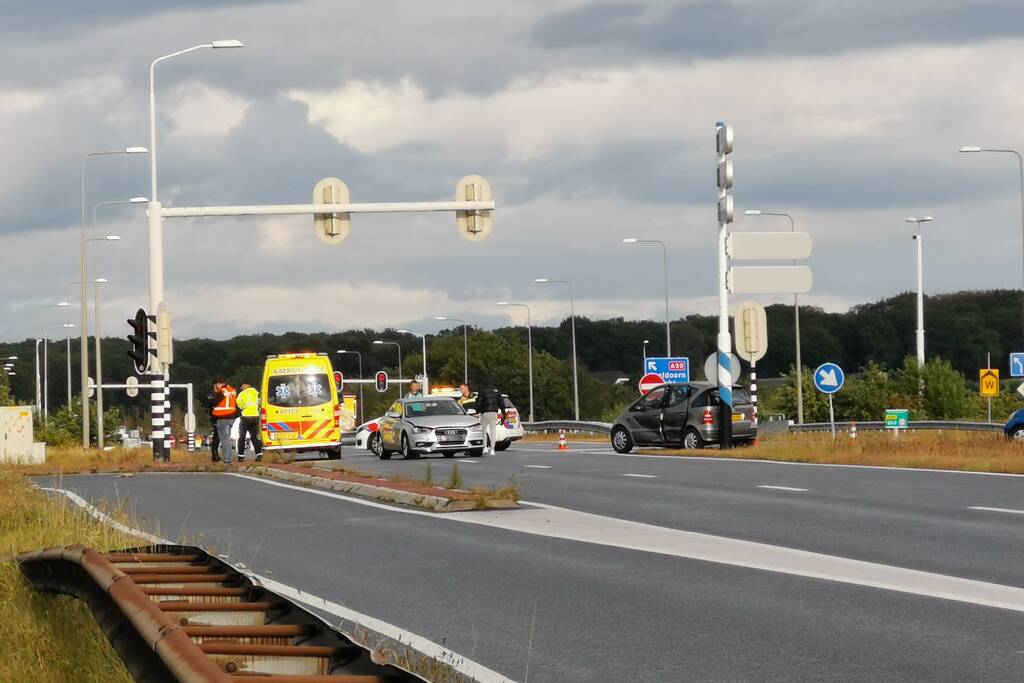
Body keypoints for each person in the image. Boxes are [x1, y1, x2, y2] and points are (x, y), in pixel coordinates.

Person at [209, 377, 238, 464]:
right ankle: (228, 458)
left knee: (224, 440)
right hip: (231, 417)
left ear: (218, 384)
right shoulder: (232, 391)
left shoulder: (222, 391)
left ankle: (226, 459)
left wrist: (211, 398)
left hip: (222, 418)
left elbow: (214, 403)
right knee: (227, 439)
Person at [474, 380, 506, 456]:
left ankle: (485, 447)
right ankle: (492, 449)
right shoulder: (497, 392)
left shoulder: (482, 391)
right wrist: (503, 412)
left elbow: (478, 403)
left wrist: (476, 411)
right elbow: (501, 403)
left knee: (484, 431)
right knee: (493, 431)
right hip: (494, 413)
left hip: (485, 413)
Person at [236, 381, 263, 461]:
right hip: (255, 417)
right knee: (254, 437)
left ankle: (241, 456)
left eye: (242, 387)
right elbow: (259, 404)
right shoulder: (256, 393)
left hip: (245, 417)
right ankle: (259, 455)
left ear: (245, 385)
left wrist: (243, 407)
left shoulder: (242, 394)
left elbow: (239, 404)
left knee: (242, 437)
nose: (242, 388)